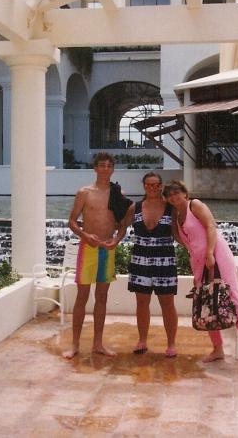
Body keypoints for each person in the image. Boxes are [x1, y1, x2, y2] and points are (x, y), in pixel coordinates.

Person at [163, 180, 238, 365]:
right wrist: (197, 267)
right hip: (199, 261)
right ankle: (217, 349)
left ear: (185, 193)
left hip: (216, 255)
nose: (173, 197)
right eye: (169, 195)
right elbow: (189, 243)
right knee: (206, 301)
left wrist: (210, 253)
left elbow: (211, 226)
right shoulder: (176, 215)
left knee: (232, 296)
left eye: (176, 193)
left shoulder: (194, 205)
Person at [63, 152, 131, 359]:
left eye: (109, 165)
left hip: (107, 249)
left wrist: (117, 240)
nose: (105, 169)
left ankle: (98, 343)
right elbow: (72, 221)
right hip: (88, 248)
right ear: (95, 168)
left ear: (113, 169)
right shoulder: (84, 193)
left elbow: (123, 224)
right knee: (82, 297)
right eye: (102, 165)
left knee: (102, 297)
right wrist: (85, 235)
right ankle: (74, 344)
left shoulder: (117, 194)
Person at [122, 172, 178, 358]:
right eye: (148, 185)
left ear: (161, 186)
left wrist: (195, 249)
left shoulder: (171, 208)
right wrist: (111, 241)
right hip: (140, 260)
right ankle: (142, 340)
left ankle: (171, 344)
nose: (152, 188)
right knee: (142, 302)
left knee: (167, 303)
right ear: (144, 186)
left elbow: (178, 233)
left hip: (165, 260)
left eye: (155, 185)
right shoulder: (135, 207)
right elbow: (121, 227)